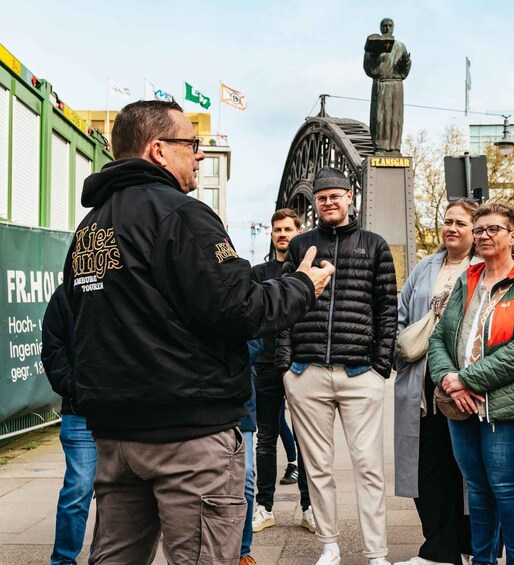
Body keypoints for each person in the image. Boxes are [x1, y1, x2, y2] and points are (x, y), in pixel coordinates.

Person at [64, 99, 333, 563]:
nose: (200, 155)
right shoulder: (182, 214)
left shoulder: (91, 227)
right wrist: (302, 287)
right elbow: (239, 310)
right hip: (187, 437)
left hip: (115, 435)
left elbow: (71, 324)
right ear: (158, 150)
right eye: (192, 144)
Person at [276, 166, 397, 565]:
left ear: (350, 198)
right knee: (317, 466)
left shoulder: (375, 245)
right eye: (321, 197)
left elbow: (387, 309)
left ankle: (376, 551)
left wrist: (380, 365)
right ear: (315, 203)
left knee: (368, 467)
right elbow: (281, 304)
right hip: (306, 372)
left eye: (335, 195)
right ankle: (330, 545)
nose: (328, 202)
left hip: (359, 372)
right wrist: (285, 364)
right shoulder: (301, 247)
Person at [428, 202, 514, 565]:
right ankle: (483, 561)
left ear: (513, 236)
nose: (484, 235)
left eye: (493, 229)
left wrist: (465, 380)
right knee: (478, 491)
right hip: (462, 404)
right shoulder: (468, 279)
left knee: (506, 489)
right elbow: (439, 338)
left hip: (510, 406)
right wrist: (449, 380)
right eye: (479, 229)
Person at [394, 199, 477, 565]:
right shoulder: (425, 267)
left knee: (467, 466)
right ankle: (438, 548)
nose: (451, 228)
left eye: (460, 223)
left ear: (476, 231)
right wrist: (400, 349)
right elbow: (400, 314)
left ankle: (471, 545)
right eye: (447, 221)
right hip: (423, 384)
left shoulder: (482, 267)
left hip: (466, 382)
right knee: (428, 465)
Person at [251, 208, 314, 534]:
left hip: (301, 363)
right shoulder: (259, 272)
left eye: (288, 228)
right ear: (271, 234)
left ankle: (308, 507)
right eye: (277, 229)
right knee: (266, 439)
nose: (282, 234)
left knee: (306, 438)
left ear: (298, 232)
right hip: (265, 364)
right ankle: (264, 506)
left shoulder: (309, 271)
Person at [41, 285, 96, 565]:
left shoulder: (127, 284)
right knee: (79, 489)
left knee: (121, 496)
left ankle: (107, 557)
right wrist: (75, 387)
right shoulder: (65, 294)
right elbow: (53, 350)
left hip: (124, 414)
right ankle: (63, 561)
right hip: (80, 412)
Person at [363, 17, 411, 153]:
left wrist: (405, 61)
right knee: (380, 118)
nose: (387, 28)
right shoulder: (375, 45)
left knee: (396, 118)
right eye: (385, 26)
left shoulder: (400, 46)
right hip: (381, 84)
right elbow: (369, 68)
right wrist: (374, 55)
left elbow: (404, 71)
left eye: (390, 26)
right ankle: (380, 147)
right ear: (381, 27)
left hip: (396, 85)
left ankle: (395, 147)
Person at [239, 338, 262, 565]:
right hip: (198, 403)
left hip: (240, 401)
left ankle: (242, 552)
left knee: (245, 476)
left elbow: (254, 345)